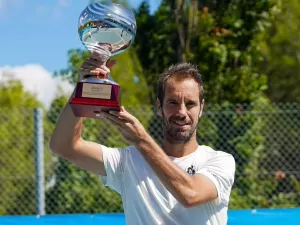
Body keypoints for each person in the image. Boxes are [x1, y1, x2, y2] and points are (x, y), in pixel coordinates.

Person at [49, 54, 236, 225]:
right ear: (158, 106)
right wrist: (85, 87)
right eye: (172, 102)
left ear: (201, 108)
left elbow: (190, 194)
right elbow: (63, 146)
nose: (181, 112)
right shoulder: (127, 161)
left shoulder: (220, 161)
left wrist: (141, 140)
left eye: (190, 104)